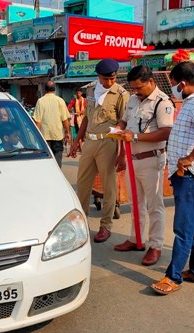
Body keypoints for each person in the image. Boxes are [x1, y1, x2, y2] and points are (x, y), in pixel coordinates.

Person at [151, 61, 194, 295]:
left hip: (191, 174)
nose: (172, 89)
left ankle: (174, 276)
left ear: (182, 83)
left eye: (173, 85)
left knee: (183, 227)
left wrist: (189, 157)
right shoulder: (192, 102)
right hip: (186, 174)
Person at [113, 65, 174, 266]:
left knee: (154, 205)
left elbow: (166, 132)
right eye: (133, 89)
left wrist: (136, 136)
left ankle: (155, 245)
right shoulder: (132, 99)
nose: (136, 92)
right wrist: (118, 129)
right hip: (132, 159)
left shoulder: (162, 103)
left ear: (150, 81)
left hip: (151, 159)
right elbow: (124, 121)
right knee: (135, 203)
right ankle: (135, 239)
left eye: (139, 88)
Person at [69, 58, 130, 242]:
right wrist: (76, 140)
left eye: (112, 78)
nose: (109, 82)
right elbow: (86, 118)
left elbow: (124, 121)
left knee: (109, 186)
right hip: (90, 142)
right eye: (106, 79)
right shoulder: (90, 90)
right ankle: (81, 224)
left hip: (108, 143)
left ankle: (106, 226)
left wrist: (122, 153)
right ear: (98, 76)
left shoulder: (121, 94)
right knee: (83, 185)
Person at [33, 80, 71, 167]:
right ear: (54, 89)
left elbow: (38, 121)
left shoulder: (40, 101)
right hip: (57, 135)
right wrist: (67, 132)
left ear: (44, 89)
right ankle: (57, 175)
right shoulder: (60, 101)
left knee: (46, 161)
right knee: (57, 160)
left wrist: (36, 137)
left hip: (44, 136)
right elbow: (65, 119)